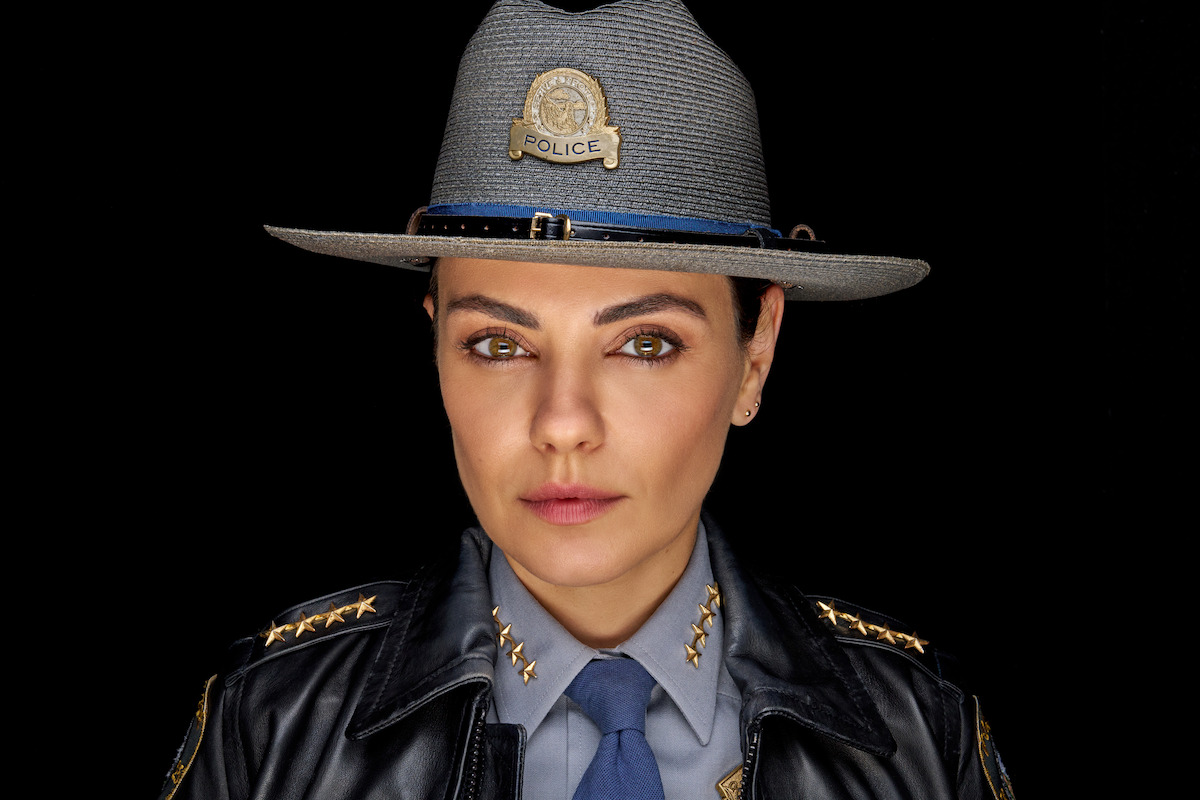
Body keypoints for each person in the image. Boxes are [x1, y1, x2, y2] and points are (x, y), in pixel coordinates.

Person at [159, 1, 1014, 798]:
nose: (563, 423)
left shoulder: (919, 737)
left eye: (645, 344)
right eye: (498, 345)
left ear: (756, 356)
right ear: (435, 347)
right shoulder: (272, 725)